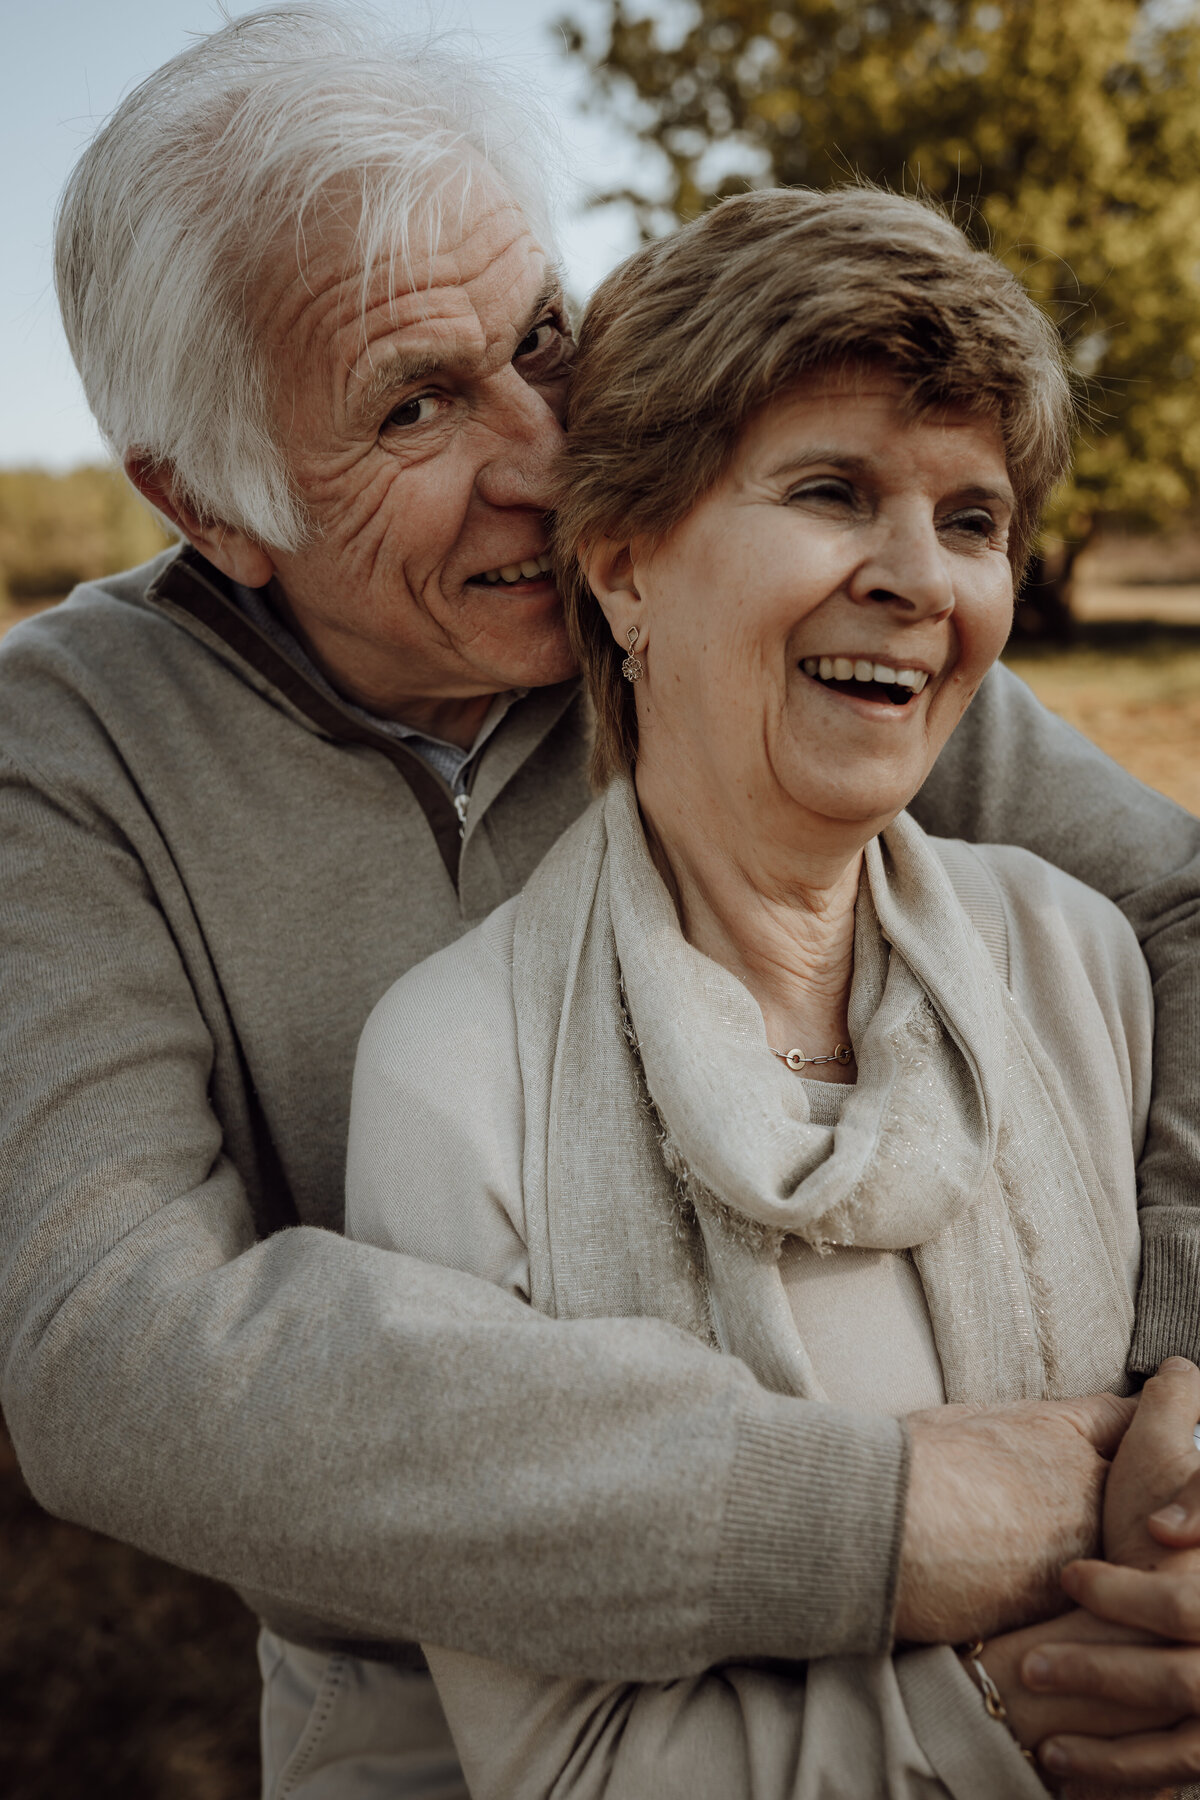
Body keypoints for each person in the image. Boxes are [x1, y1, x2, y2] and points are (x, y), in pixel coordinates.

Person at [2, 5, 1200, 1795]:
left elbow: (1180, 914)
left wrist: (1180, 1391)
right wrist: (875, 1512)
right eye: (413, 405)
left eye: (541, 341)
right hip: (428, 1705)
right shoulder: (69, 751)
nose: (549, 460)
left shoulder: (721, 588)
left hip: (1010, 1629)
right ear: (208, 504)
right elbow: (116, 1347)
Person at [330, 185, 1200, 1798]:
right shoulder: (457, 1073)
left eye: (973, 520)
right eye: (831, 491)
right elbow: (566, 1764)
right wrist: (1030, 1713)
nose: (919, 579)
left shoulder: (1082, 957)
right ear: (623, 564)